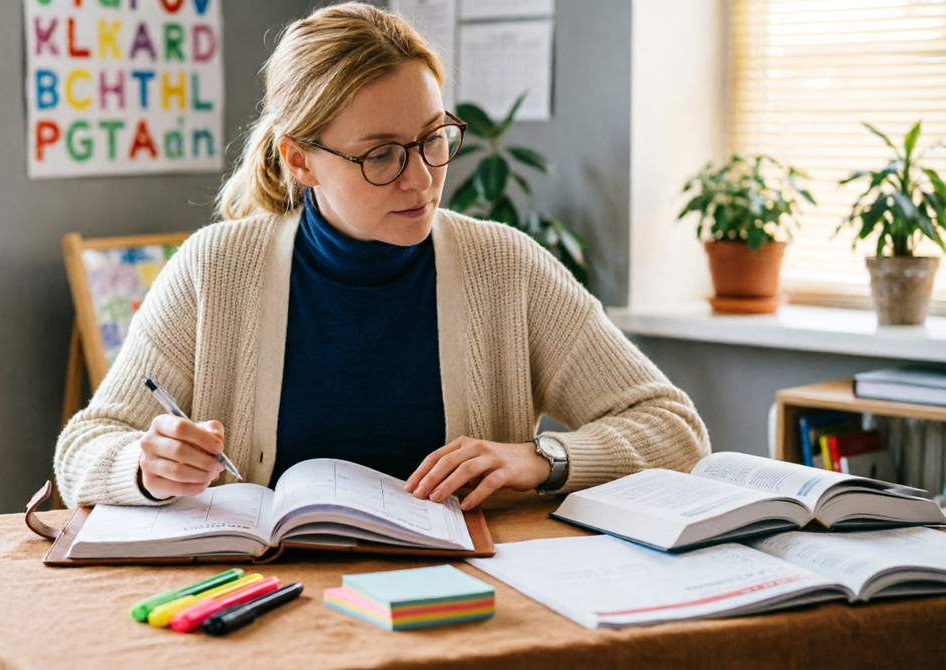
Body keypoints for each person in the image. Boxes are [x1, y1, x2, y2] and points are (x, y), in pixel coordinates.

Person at [54, 2, 709, 511]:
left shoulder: (505, 267)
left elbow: (676, 429)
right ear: (299, 158)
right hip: (265, 605)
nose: (421, 179)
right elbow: (83, 447)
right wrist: (144, 466)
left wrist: (542, 460)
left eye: (432, 139)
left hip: (470, 606)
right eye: (381, 155)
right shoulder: (214, 269)